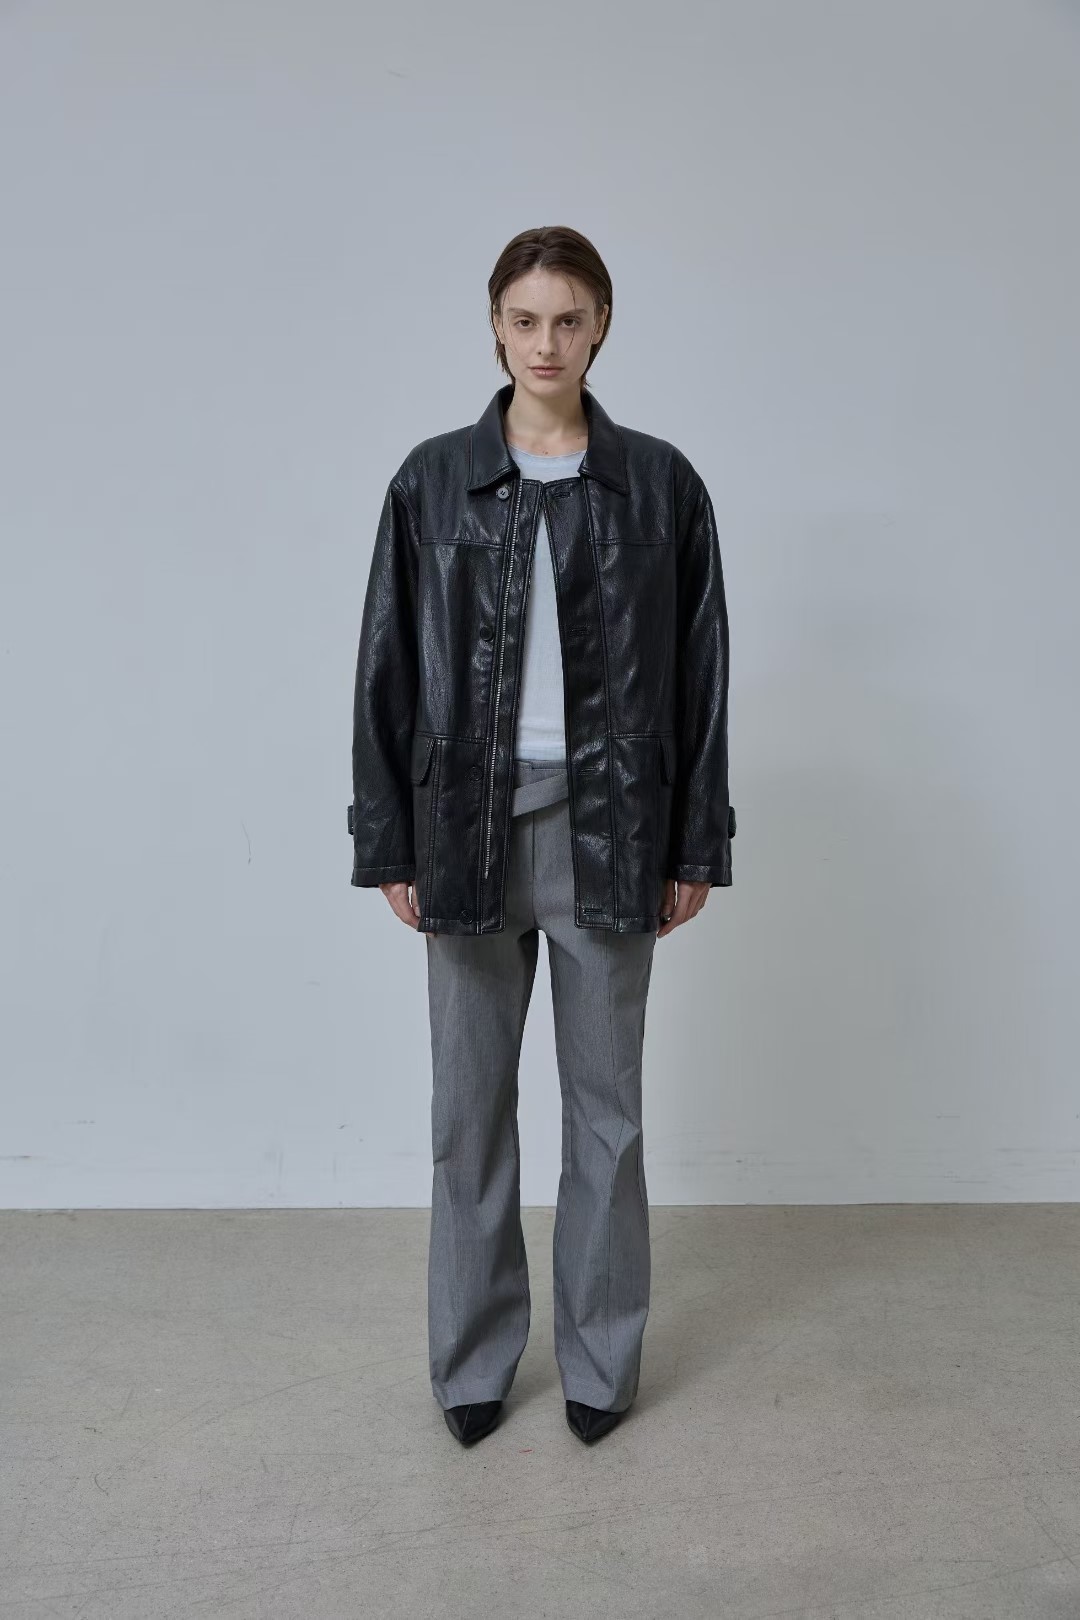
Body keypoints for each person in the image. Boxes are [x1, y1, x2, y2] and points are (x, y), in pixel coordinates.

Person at [349, 225, 734, 1447]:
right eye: (525, 320)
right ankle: (471, 1365)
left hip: (613, 827)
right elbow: (386, 669)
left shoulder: (661, 487)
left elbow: (703, 675)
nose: (546, 342)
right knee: (468, 1115)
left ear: (601, 324)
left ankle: (600, 1366)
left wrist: (696, 843)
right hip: (464, 823)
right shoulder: (432, 483)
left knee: (606, 1117)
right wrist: (388, 843)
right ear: (495, 327)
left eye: (569, 319)